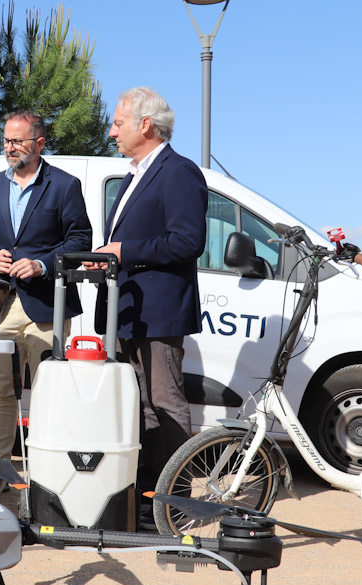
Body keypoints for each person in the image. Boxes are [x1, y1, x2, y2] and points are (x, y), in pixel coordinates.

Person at [89, 86, 208, 517]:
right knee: (137, 407)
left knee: (166, 403)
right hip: (126, 312)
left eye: (117, 122)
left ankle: (177, 505)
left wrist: (123, 252)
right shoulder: (131, 176)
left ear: (145, 125)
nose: (111, 131)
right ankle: (143, 500)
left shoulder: (179, 172)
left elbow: (188, 240)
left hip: (158, 313)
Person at [0, 110, 92, 460]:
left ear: (39, 143)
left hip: (47, 305)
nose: (10, 148)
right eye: (6, 140)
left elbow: (80, 239)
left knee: (46, 391)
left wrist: (41, 265)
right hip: (2, 303)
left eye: (18, 141)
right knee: (3, 390)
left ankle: (44, 468)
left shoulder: (65, 185)